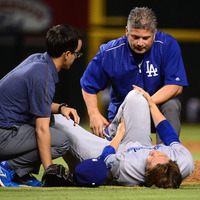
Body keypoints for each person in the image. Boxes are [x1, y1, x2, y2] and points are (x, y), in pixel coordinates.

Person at [80, 7, 188, 144]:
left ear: (154, 34)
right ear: (127, 31)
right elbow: (88, 84)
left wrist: (144, 104)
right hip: (124, 115)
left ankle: (167, 155)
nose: (140, 43)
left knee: (172, 104)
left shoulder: (167, 45)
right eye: (135, 37)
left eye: (145, 38)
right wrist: (94, 114)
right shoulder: (110, 52)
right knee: (122, 159)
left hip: (156, 109)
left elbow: (175, 86)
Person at [54, 85, 194, 188]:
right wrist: (151, 105)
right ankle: (112, 130)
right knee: (137, 96)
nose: (152, 153)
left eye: (151, 160)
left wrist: (120, 134)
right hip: (139, 142)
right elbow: (169, 135)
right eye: (158, 155)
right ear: (172, 163)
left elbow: (106, 157)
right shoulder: (184, 161)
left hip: (109, 150)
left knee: (58, 120)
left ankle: (110, 134)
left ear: (147, 173)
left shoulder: (128, 168)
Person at [0, 25, 82, 187]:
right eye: (76, 54)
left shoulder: (37, 59)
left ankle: (19, 174)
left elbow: (36, 103)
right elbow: (41, 129)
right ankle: (5, 168)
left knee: (50, 121)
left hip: (5, 129)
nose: (75, 57)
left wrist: (61, 108)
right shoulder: (42, 75)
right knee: (61, 141)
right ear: (66, 54)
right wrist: (49, 169)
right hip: (3, 134)